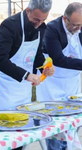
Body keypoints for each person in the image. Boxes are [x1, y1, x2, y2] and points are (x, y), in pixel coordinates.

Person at [0, 0, 55, 110]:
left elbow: (36, 54)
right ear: (28, 11)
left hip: (24, 88)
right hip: (5, 87)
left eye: (43, 20)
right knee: (5, 122)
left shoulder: (41, 27)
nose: (38, 24)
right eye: (36, 20)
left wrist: (44, 68)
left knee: (24, 120)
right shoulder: (9, 26)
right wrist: (26, 75)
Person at [36, 3, 82, 150]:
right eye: (74, 25)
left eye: (80, 25)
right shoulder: (52, 28)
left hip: (72, 82)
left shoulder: (80, 27)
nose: (78, 28)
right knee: (54, 123)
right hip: (52, 82)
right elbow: (58, 58)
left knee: (73, 121)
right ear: (65, 19)